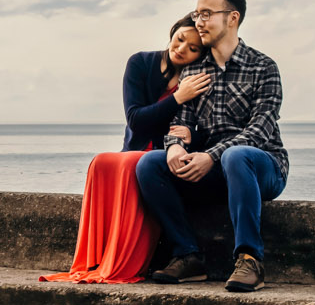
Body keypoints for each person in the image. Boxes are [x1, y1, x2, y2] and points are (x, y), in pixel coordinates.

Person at [135, 0, 286, 293]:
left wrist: (211, 155)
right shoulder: (193, 72)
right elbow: (180, 124)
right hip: (212, 172)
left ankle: (250, 259)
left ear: (232, 18)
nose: (199, 21)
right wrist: (175, 147)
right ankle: (188, 256)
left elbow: (259, 131)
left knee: (237, 154)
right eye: (196, 13)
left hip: (262, 169)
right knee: (150, 163)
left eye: (206, 14)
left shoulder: (264, 68)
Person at [40, 16, 209, 284]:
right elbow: (136, 119)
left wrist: (193, 136)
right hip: (136, 147)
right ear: (173, 31)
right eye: (180, 39)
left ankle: (125, 259)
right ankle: (98, 257)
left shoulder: (199, 78)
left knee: (137, 165)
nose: (181, 49)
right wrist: (178, 97)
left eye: (193, 48)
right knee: (101, 162)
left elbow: (204, 129)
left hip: (166, 156)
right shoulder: (140, 63)